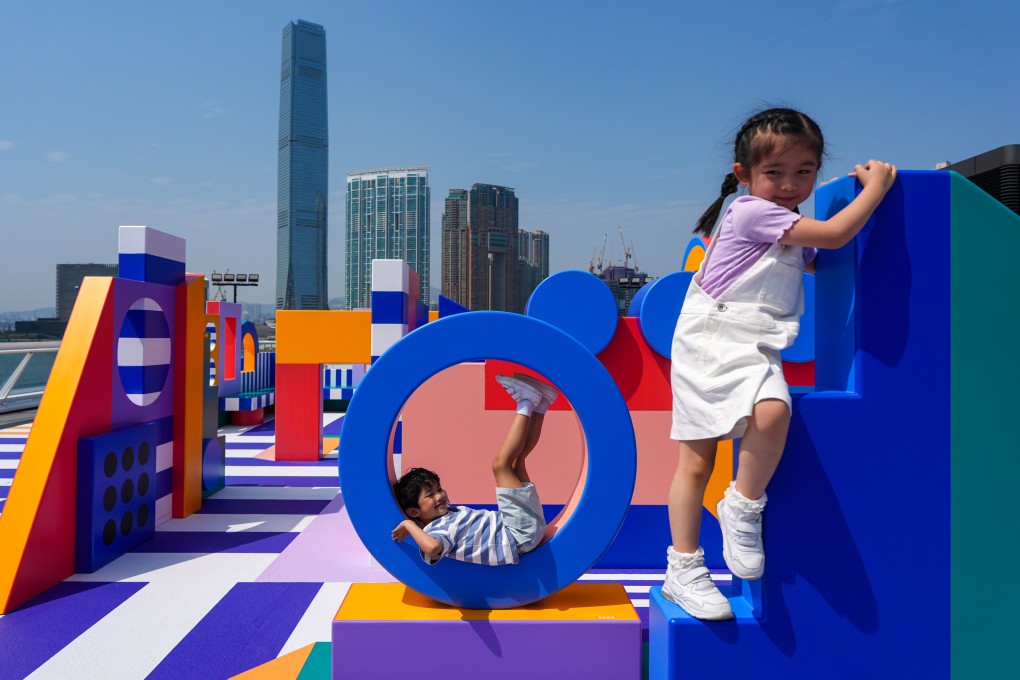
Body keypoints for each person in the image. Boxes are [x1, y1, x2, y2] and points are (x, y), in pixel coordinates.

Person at [663, 108, 897, 619]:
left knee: (773, 413)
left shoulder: (784, 225)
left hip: (758, 344)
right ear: (743, 175)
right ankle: (683, 567)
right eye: (775, 173)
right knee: (697, 459)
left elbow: (821, 253)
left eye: (804, 172)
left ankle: (742, 504)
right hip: (712, 340)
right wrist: (875, 189)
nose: (790, 185)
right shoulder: (750, 213)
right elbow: (834, 237)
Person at [392, 373, 559, 565]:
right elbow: (432, 548)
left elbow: (431, 505)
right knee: (500, 465)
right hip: (517, 533)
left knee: (516, 461)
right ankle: (527, 401)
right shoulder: (436, 530)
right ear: (413, 512)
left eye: (438, 489)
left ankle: (541, 404)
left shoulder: (445, 512)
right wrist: (408, 524)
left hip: (520, 526)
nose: (439, 496)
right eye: (430, 495)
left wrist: (419, 510)